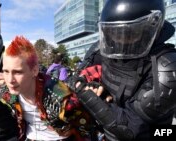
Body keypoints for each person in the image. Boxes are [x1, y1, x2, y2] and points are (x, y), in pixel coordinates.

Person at [71, 0, 176, 140]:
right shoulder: (101, 48)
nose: (119, 40)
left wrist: (87, 94)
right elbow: (77, 77)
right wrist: (89, 84)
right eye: (115, 32)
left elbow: (130, 129)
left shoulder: (166, 66)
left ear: (151, 26)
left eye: (129, 33)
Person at [0, 36, 103, 141]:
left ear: (34, 71)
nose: (10, 80)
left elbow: (86, 129)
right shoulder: (5, 93)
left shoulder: (63, 101)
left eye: (17, 72)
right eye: (6, 71)